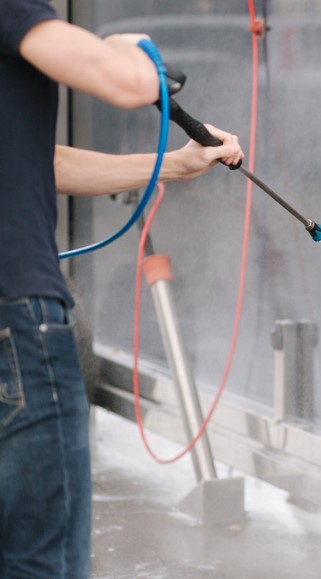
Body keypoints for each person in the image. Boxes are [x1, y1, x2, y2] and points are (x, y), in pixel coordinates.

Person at [0, 2, 244, 577]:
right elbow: (126, 81)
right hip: (18, 324)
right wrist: (134, 50)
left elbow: (40, 162)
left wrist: (174, 167)